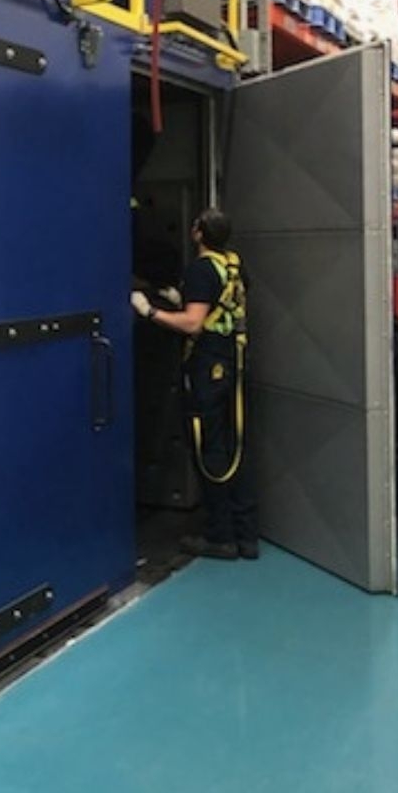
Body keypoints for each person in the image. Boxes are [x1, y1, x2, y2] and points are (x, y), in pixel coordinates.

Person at [130, 207, 259, 561]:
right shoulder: (234, 265)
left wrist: (149, 311)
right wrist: (181, 299)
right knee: (235, 448)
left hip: (208, 369)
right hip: (234, 362)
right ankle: (246, 535)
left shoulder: (201, 269)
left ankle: (220, 536)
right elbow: (221, 306)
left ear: (199, 233)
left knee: (209, 450)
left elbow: (192, 324)